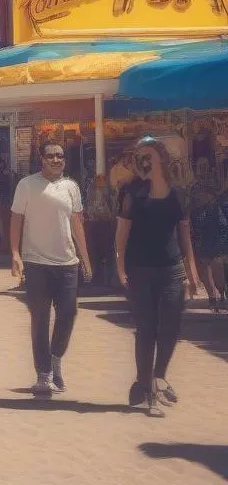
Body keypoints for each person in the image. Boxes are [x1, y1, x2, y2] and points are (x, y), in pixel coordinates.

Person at [116, 136, 200, 416]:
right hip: (141, 270)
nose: (146, 161)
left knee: (171, 328)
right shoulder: (132, 193)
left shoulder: (179, 194)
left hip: (172, 269)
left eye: (151, 155)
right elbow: (122, 235)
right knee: (147, 330)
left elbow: (185, 235)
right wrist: (119, 266)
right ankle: (147, 389)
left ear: (162, 158)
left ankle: (158, 376)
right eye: (142, 156)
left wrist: (192, 270)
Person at [10, 142, 93, 396]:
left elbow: (77, 223)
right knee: (40, 319)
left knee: (69, 314)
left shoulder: (71, 187)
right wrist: (15, 254)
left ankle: (56, 357)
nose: (56, 160)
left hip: (67, 263)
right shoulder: (27, 185)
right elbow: (16, 219)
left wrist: (86, 259)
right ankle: (43, 374)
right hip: (36, 263)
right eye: (51, 156)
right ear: (41, 159)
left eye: (60, 156)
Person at [191, 187, 228, 313]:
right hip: (206, 246)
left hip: (219, 246)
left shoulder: (221, 208)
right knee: (207, 273)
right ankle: (213, 298)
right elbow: (197, 229)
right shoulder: (198, 211)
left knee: (219, 273)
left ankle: (221, 295)